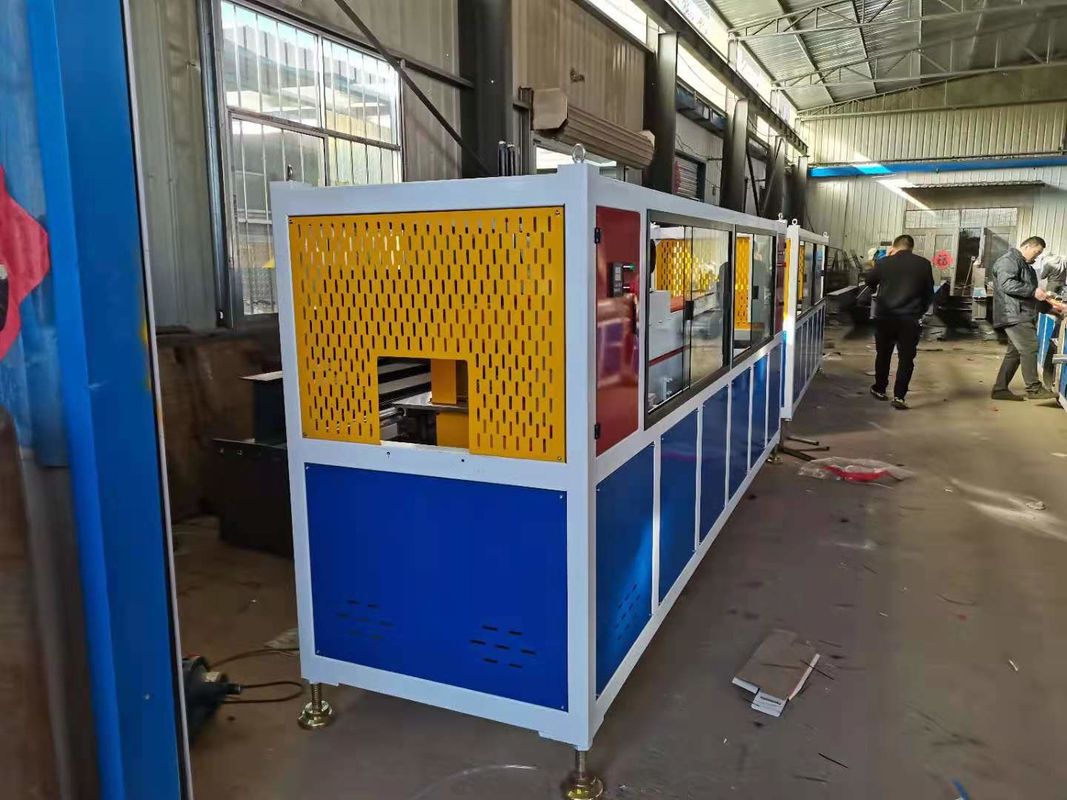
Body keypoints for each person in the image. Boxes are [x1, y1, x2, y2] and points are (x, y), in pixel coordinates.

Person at [990, 236, 1067, 401]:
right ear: (1027, 247)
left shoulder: (1025, 266)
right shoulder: (1009, 261)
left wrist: (1051, 309)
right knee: (1030, 347)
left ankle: (1000, 389)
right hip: (1014, 314)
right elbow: (1007, 284)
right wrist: (1033, 291)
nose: (1037, 257)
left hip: (1020, 312)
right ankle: (1034, 388)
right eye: (1036, 252)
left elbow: (1031, 297)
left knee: (1015, 353)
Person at [864, 234, 935, 410]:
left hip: (885, 317)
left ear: (894, 247)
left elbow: (869, 281)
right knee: (906, 358)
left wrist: (885, 261)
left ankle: (880, 389)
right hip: (910, 319)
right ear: (911, 247)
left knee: (883, 355)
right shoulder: (923, 264)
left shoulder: (884, 262)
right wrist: (919, 311)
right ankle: (899, 397)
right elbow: (929, 293)